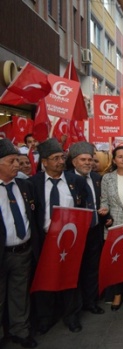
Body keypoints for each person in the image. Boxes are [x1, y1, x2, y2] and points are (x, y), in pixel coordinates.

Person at [29, 138, 89, 334]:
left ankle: (72, 316)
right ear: (44, 162)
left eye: (62, 157)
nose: (60, 162)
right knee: (46, 278)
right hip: (45, 240)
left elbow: (82, 208)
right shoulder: (33, 184)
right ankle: (46, 318)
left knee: (71, 278)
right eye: (55, 158)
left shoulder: (75, 181)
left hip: (69, 240)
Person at [0, 139, 39, 348]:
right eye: (11, 161)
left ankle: (20, 331)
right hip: (2, 254)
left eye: (17, 160)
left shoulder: (25, 186)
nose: (17, 165)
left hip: (22, 252)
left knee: (19, 294)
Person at [67, 142, 106, 316]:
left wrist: (107, 214)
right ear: (74, 162)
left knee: (92, 268)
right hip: (74, 235)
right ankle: (75, 308)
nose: (87, 163)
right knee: (75, 271)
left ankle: (91, 302)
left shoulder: (97, 179)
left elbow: (102, 202)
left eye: (90, 159)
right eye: (83, 159)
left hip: (94, 231)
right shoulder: (66, 180)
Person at [99, 145, 123, 311]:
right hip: (113, 225)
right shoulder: (107, 178)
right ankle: (117, 294)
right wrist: (105, 214)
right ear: (114, 160)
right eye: (119, 156)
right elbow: (104, 200)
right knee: (115, 261)